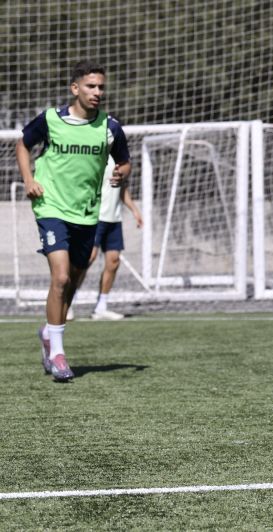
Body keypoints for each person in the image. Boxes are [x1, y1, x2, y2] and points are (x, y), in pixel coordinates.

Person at [15, 60, 131, 381]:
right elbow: (22, 144)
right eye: (91, 86)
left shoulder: (110, 127)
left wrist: (121, 173)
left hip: (86, 213)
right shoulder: (51, 119)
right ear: (75, 88)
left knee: (72, 283)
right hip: (50, 207)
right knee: (61, 277)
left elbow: (124, 161)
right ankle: (58, 355)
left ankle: (48, 333)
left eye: (101, 87)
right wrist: (28, 180)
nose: (97, 92)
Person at [68, 160, 143, 321]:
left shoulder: (121, 160)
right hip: (94, 217)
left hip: (114, 219)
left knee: (114, 261)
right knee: (87, 258)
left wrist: (134, 210)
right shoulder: (96, 156)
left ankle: (101, 307)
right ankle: (68, 301)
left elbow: (121, 188)